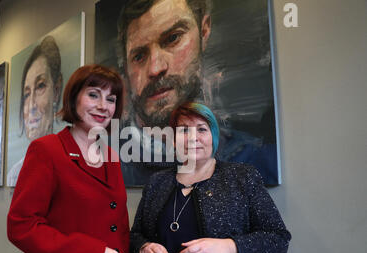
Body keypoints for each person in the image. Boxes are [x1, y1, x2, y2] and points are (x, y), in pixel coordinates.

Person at [130, 102, 291, 253]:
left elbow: (277, 239)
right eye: (183, 130)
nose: (193, 138)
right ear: (173, 140)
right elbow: (136, 235)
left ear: (213, 136)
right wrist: (143, 249)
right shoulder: (157, 182)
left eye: (201, 129)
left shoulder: (242, 177)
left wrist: (226, 249)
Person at [115, 0, 278, 186]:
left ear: (204, 31)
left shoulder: (255, 159)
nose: (155, 68)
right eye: (138, 56)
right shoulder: (107, 164)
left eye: (172, 38)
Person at [7, 64, 137, 253]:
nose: (102, 106)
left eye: (111, 99)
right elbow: (21, 226)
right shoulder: (46, 151)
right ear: (73, 97)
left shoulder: (112, 158)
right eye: (93, 94)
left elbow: (119, 229)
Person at [7, 36, 63, 186]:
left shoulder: (68, 166)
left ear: (56, 91)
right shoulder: (14, 175)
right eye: (26, 94)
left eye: (40, 86)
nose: (31, 105)